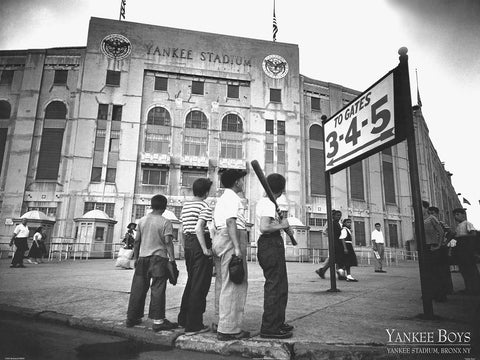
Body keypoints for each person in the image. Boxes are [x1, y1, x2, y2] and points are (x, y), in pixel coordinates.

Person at [126, 194, 178, 331]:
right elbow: (168, 242)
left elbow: (137, 241)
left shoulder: (142, 221)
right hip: (159, 259)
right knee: (158, 288)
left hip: (143, 258)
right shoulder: (166, 222)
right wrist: (172, 260)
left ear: (151, 205)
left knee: (138, 288)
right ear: (165, 207)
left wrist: (135, 258)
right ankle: (158, 321)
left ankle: (132, 318)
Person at [212, 169, 249, 341]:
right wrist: (237, 248)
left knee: (223, 282)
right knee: (234, 283)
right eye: (242, 180)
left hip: (220, 237)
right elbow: (231, 221)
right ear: (236, 182)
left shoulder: (222, 199)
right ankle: (229, 329)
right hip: (231, 237)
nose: (243, 183)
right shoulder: (233, 198)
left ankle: (221, 322)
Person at [256, 173, 293, 339]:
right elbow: (264, 227)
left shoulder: (268, 202)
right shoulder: (268, 203)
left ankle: (277, 322)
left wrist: (280, 224)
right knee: (275, 286)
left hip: (271, 244)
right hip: (270, 244)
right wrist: (282, 225)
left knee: (280, 286)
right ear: (282, 189)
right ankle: (270, 327)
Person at [177, 178, 214, 335]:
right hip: (200, 243)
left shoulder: (186, 206)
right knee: (200, 285)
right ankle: (194, 325)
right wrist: (205, 249)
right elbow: (199, 228)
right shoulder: (204, 205)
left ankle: (183, 319)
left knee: (192, 282)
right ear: (206, 192)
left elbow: (181, 229)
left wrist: (185, 246)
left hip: (189, 245)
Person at [450, 208, 480, 295]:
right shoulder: (458, 226)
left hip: (467, 251)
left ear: (463, 215)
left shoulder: (467, 223)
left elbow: (473, 234)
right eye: (454, 215)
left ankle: (476, 288)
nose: (456, 217)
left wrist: (472, 248)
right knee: (464, 270)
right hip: (461, 251)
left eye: (458, 214)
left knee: (471, 270)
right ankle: (468, 287)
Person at [422, 201, 445, 301]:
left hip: (433, 246)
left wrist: (439, 245)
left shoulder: (432, 218)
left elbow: (441, 231)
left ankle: (440, 295)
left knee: (435, 272)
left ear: (426, 208)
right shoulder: (420, 219)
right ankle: (430, 293)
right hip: (425, 247)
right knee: (428, 272)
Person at [315, 210, 345, 280]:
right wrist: (331, 237)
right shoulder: (330, 223)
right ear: (333, 216)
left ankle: (322, 270)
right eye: (337, 215)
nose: (339, 216)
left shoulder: (338, 223)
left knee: (335, 258)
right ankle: (339, 273)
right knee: (334, 258)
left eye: (340, 215)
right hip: (334, 242)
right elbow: (325, 232)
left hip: (338, 242)